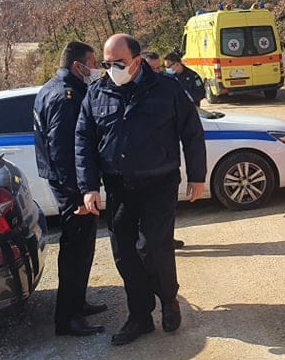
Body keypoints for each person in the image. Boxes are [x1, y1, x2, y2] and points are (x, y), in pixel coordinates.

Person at [75, 34, 207, 346]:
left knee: (152, 247)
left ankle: (168, 299)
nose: (111, 69)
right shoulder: (97, 92)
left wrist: (197, 176)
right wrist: (88, 186)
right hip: (119, 185)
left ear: (136, 61)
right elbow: (84, 141)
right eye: (106, 63)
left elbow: (192, 132)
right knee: (124, 253)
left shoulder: (166, 88)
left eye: (118, 63)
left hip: (159, 182)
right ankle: (140, 316)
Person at [33, 41, 107, 337]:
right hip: (71, 188)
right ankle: (68, 320)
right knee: (76, 251)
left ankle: (78, 304)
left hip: (65, 184)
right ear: (78, 65)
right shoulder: (67, 97)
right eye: (93, 62)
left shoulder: (52, 88)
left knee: (83, 246)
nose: (96, 68)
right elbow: (65, 150)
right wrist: (79, 195)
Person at [140, 50, 190, 250]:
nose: (157, 71)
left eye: (158, 67)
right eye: (152, 68)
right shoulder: (130, 91)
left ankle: (167, 240)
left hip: (164, 167)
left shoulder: (167, 88)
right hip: (140, 170)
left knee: (166, 211)